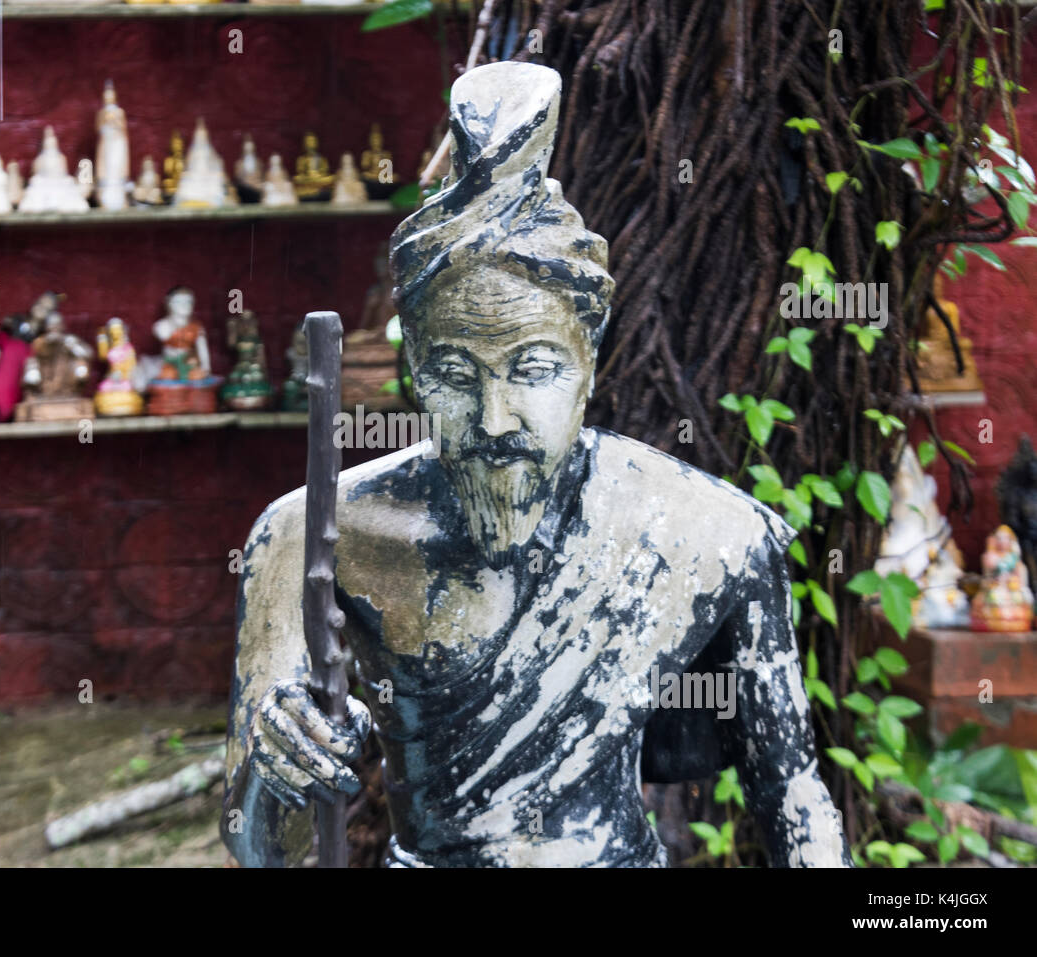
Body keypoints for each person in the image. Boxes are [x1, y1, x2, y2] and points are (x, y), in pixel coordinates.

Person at [222, 61, 850, 868]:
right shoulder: (312, 534)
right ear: (412, 364)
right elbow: (255, 844)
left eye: (533, 368)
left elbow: (791, 789)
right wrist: (280, 767)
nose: (494, 420)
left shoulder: (704, 533)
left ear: (591, 360)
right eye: (454, 373)